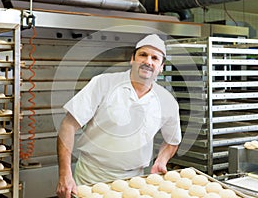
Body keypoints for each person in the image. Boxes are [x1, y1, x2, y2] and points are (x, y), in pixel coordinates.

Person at [56, 34, 181, 198]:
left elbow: (172, 140)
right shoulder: (103, 83)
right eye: (143, 55)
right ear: (132, 59)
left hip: (134, 182)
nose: (148, 61)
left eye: (155, 58)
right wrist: (64, 173)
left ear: (161, 67)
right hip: (91, 177)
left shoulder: (167, 101)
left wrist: (162, 160)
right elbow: (68, 125)